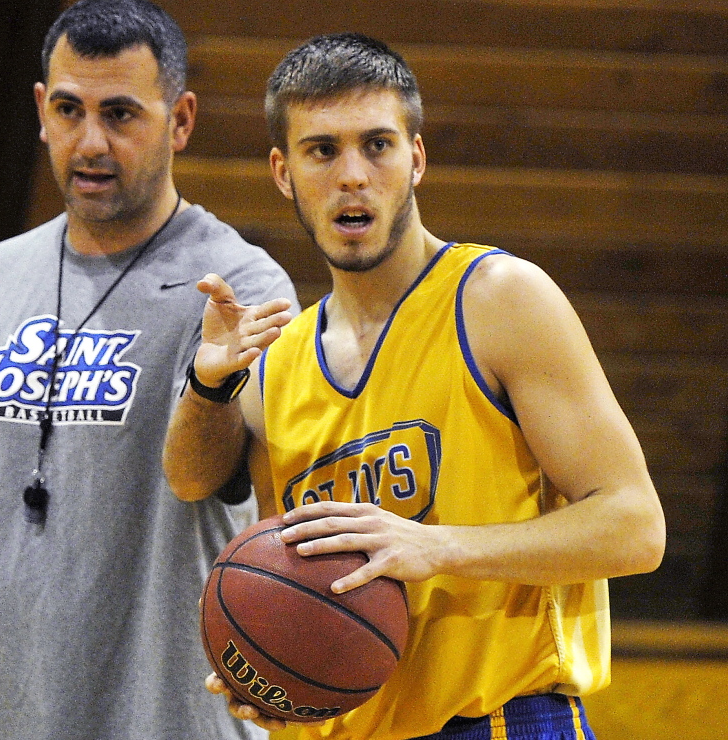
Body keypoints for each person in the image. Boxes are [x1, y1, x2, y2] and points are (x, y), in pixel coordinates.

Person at [163, 33, 665, 740]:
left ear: (415, 158)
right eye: (321, 150)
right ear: (283, 172)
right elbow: (189, 482)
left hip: (500, 721)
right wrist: (274, 677)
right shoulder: (279, 364)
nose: (352, 175)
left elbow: (635, 527)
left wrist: (438, 547)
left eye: (376, 145)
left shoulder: (497, 299)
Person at [0, 1, 297, 738]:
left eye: (120, 114)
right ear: (42, 110)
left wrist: (210, 384)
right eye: (70, 110)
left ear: (180, 119)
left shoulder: (240, 288)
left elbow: (211, 481)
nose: (90, 143)